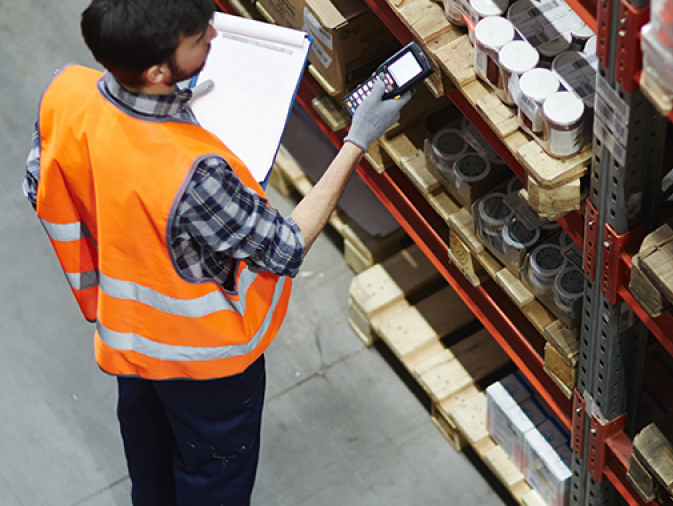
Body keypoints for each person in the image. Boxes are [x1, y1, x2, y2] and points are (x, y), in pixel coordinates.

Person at [22, 0, 411, 504]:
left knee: (152, 462)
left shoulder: (65, 91)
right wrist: (358, 138)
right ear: (159, 70)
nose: (213, 36)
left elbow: (43, 187)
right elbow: (286, 246)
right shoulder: (196, 177)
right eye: (199, 37)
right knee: (212, 481)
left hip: (128, 340)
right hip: (204, 365)